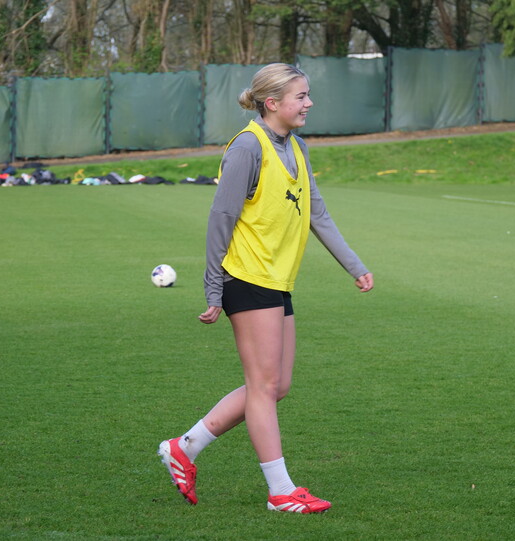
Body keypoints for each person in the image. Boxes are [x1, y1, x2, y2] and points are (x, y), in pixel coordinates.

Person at [157, 63, 374, 514]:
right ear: (272, 103)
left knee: (276, 386)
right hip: (246, 277)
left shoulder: (298, 146)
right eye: (301, 96)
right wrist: (213, 289)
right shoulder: (247, 148)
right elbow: (221, 219)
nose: (309, 103)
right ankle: (280, 491)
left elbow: (317, 213)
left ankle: (185, 446)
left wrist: (354, 265)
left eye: (308, 94)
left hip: (276, 280)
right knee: (264, 384)